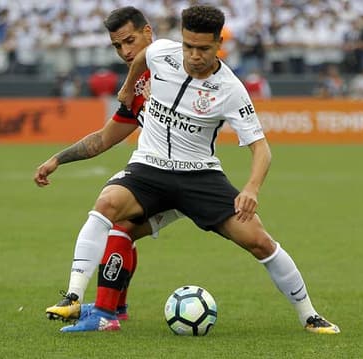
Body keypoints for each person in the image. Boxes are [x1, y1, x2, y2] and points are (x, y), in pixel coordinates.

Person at [57, 4, 340, 334]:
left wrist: (251, 189)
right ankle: (77, 297)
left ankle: (309, 315)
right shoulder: (163, 52)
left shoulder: (231, 89)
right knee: (108, 206)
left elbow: (261, 148)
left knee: (260, 241)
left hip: (199, 176)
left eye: (203, 48)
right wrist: (127, 86)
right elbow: (141, 59)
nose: (193, 55)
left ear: (219, 43)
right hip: (151, 169)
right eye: (188, 46)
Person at [35, 7, 183, 331]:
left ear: (148, 33)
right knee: (122, 229)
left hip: (185, 175)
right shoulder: (138, 84)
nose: (125, 51)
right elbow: (104, 138)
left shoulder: (175, 66)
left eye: (130, 41)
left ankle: (102, 312)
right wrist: (57, 159)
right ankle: (114, 307)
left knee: (114, 219)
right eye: (117, 46)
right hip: (159, 174)